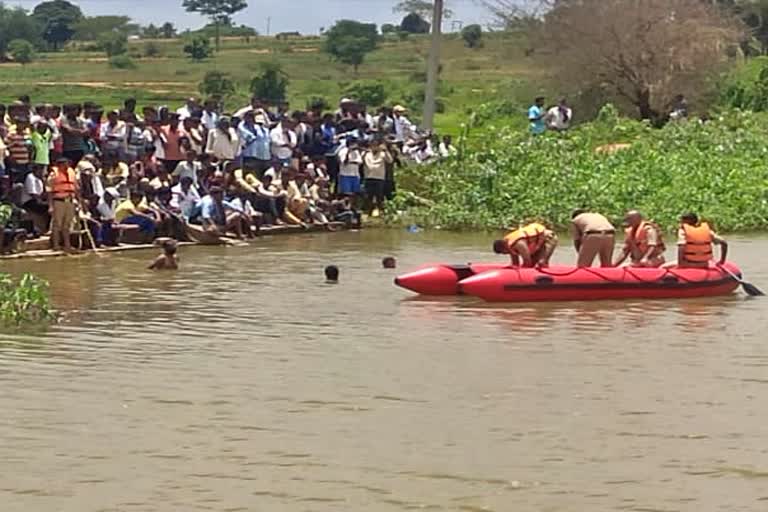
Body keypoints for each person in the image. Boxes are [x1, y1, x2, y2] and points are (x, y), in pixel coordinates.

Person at [47, 157, 79, 253]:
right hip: (58, 201)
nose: (66, 166)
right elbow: (49, 191)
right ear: (59, 165)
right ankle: (56, 245)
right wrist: (50, 206)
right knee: (57, 225)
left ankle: (67, 245)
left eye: (67, 164)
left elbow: (76, 188)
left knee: (67, 225)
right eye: (64, 164)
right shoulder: (53, 175)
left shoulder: (72, 173)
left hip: (70, 201)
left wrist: (78, 201)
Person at [493, 222, 558, 267]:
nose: (505, 254)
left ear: (504, 248)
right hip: (537, 242)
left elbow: (527, 262)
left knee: (541, 262)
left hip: (549, 238)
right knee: (532, 265)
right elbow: (515, 263)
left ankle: (546, 281)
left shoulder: (519, 243)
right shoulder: (509, 245)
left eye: (503, 252)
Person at [363, 139, 393, 217]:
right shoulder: (367, 154)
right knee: (368, 196)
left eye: (376, 146)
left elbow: (390, 161)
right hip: (369, 177)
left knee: (379, 196)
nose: (374, 148)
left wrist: (386, 151)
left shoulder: (383, 154)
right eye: (373, 146)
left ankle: (381, 211)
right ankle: (368, 212)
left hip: (379, 178)